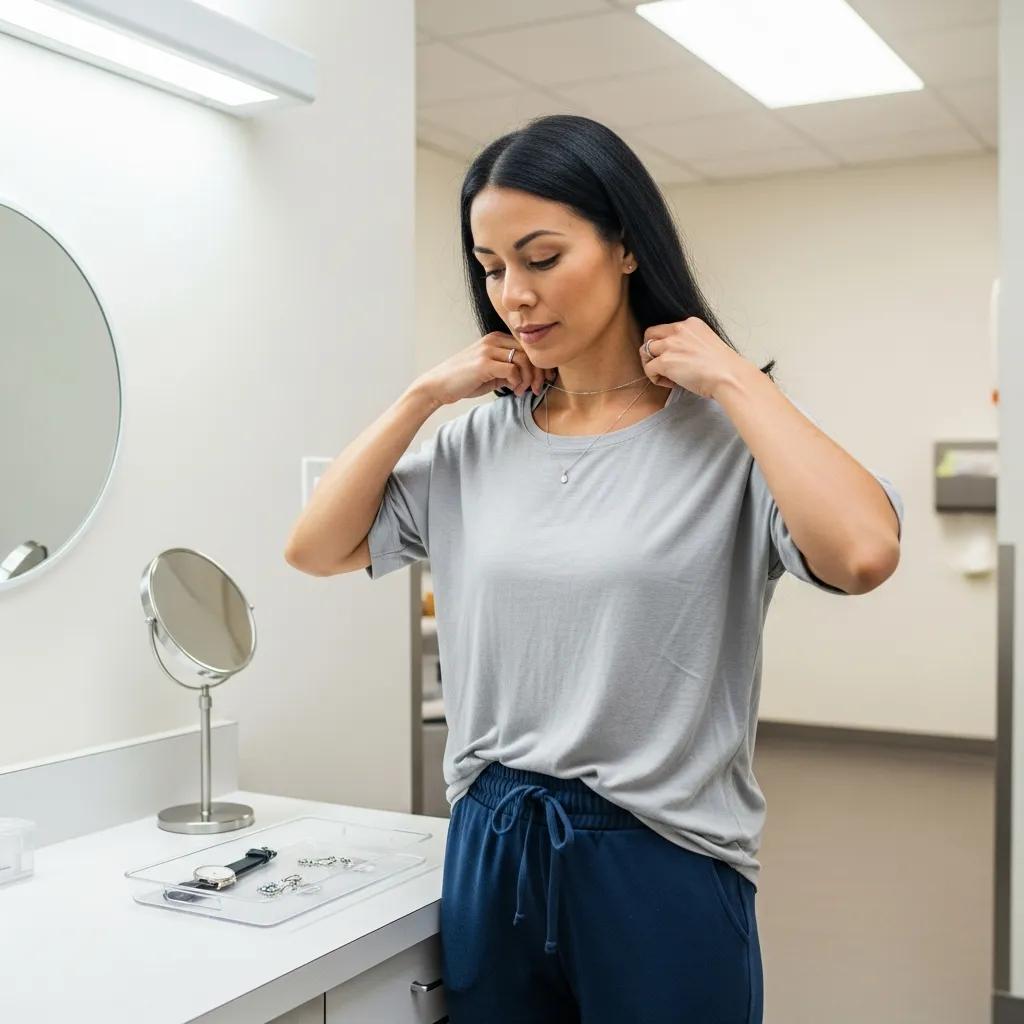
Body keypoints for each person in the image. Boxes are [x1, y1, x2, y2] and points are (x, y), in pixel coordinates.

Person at [284, 114, 904, 1023]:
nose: (515, 295)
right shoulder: (474, 445)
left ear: (625, 246)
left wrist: (738, 380)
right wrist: (423, 395)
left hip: (661, 854)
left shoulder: (728, 439)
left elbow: (863, 554)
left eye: (542, 257)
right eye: (491, 267)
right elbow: (314, 547)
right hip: (492, 841)